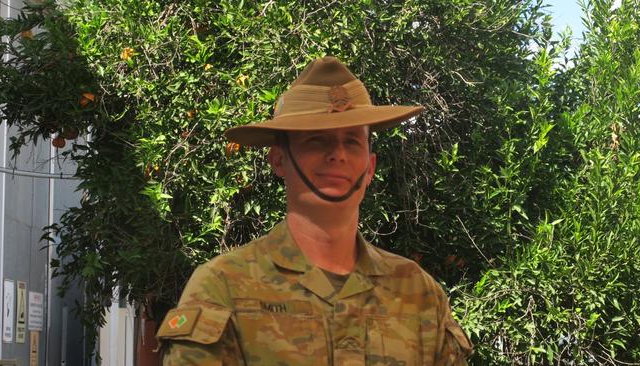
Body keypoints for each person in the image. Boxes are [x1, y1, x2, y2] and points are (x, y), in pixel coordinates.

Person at [157, 56, 473, 365]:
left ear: (370, 167)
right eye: (316, 140)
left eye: (352, 141)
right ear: (279, 160)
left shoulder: (419, 294)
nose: (337, 154)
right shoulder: (222, 287)